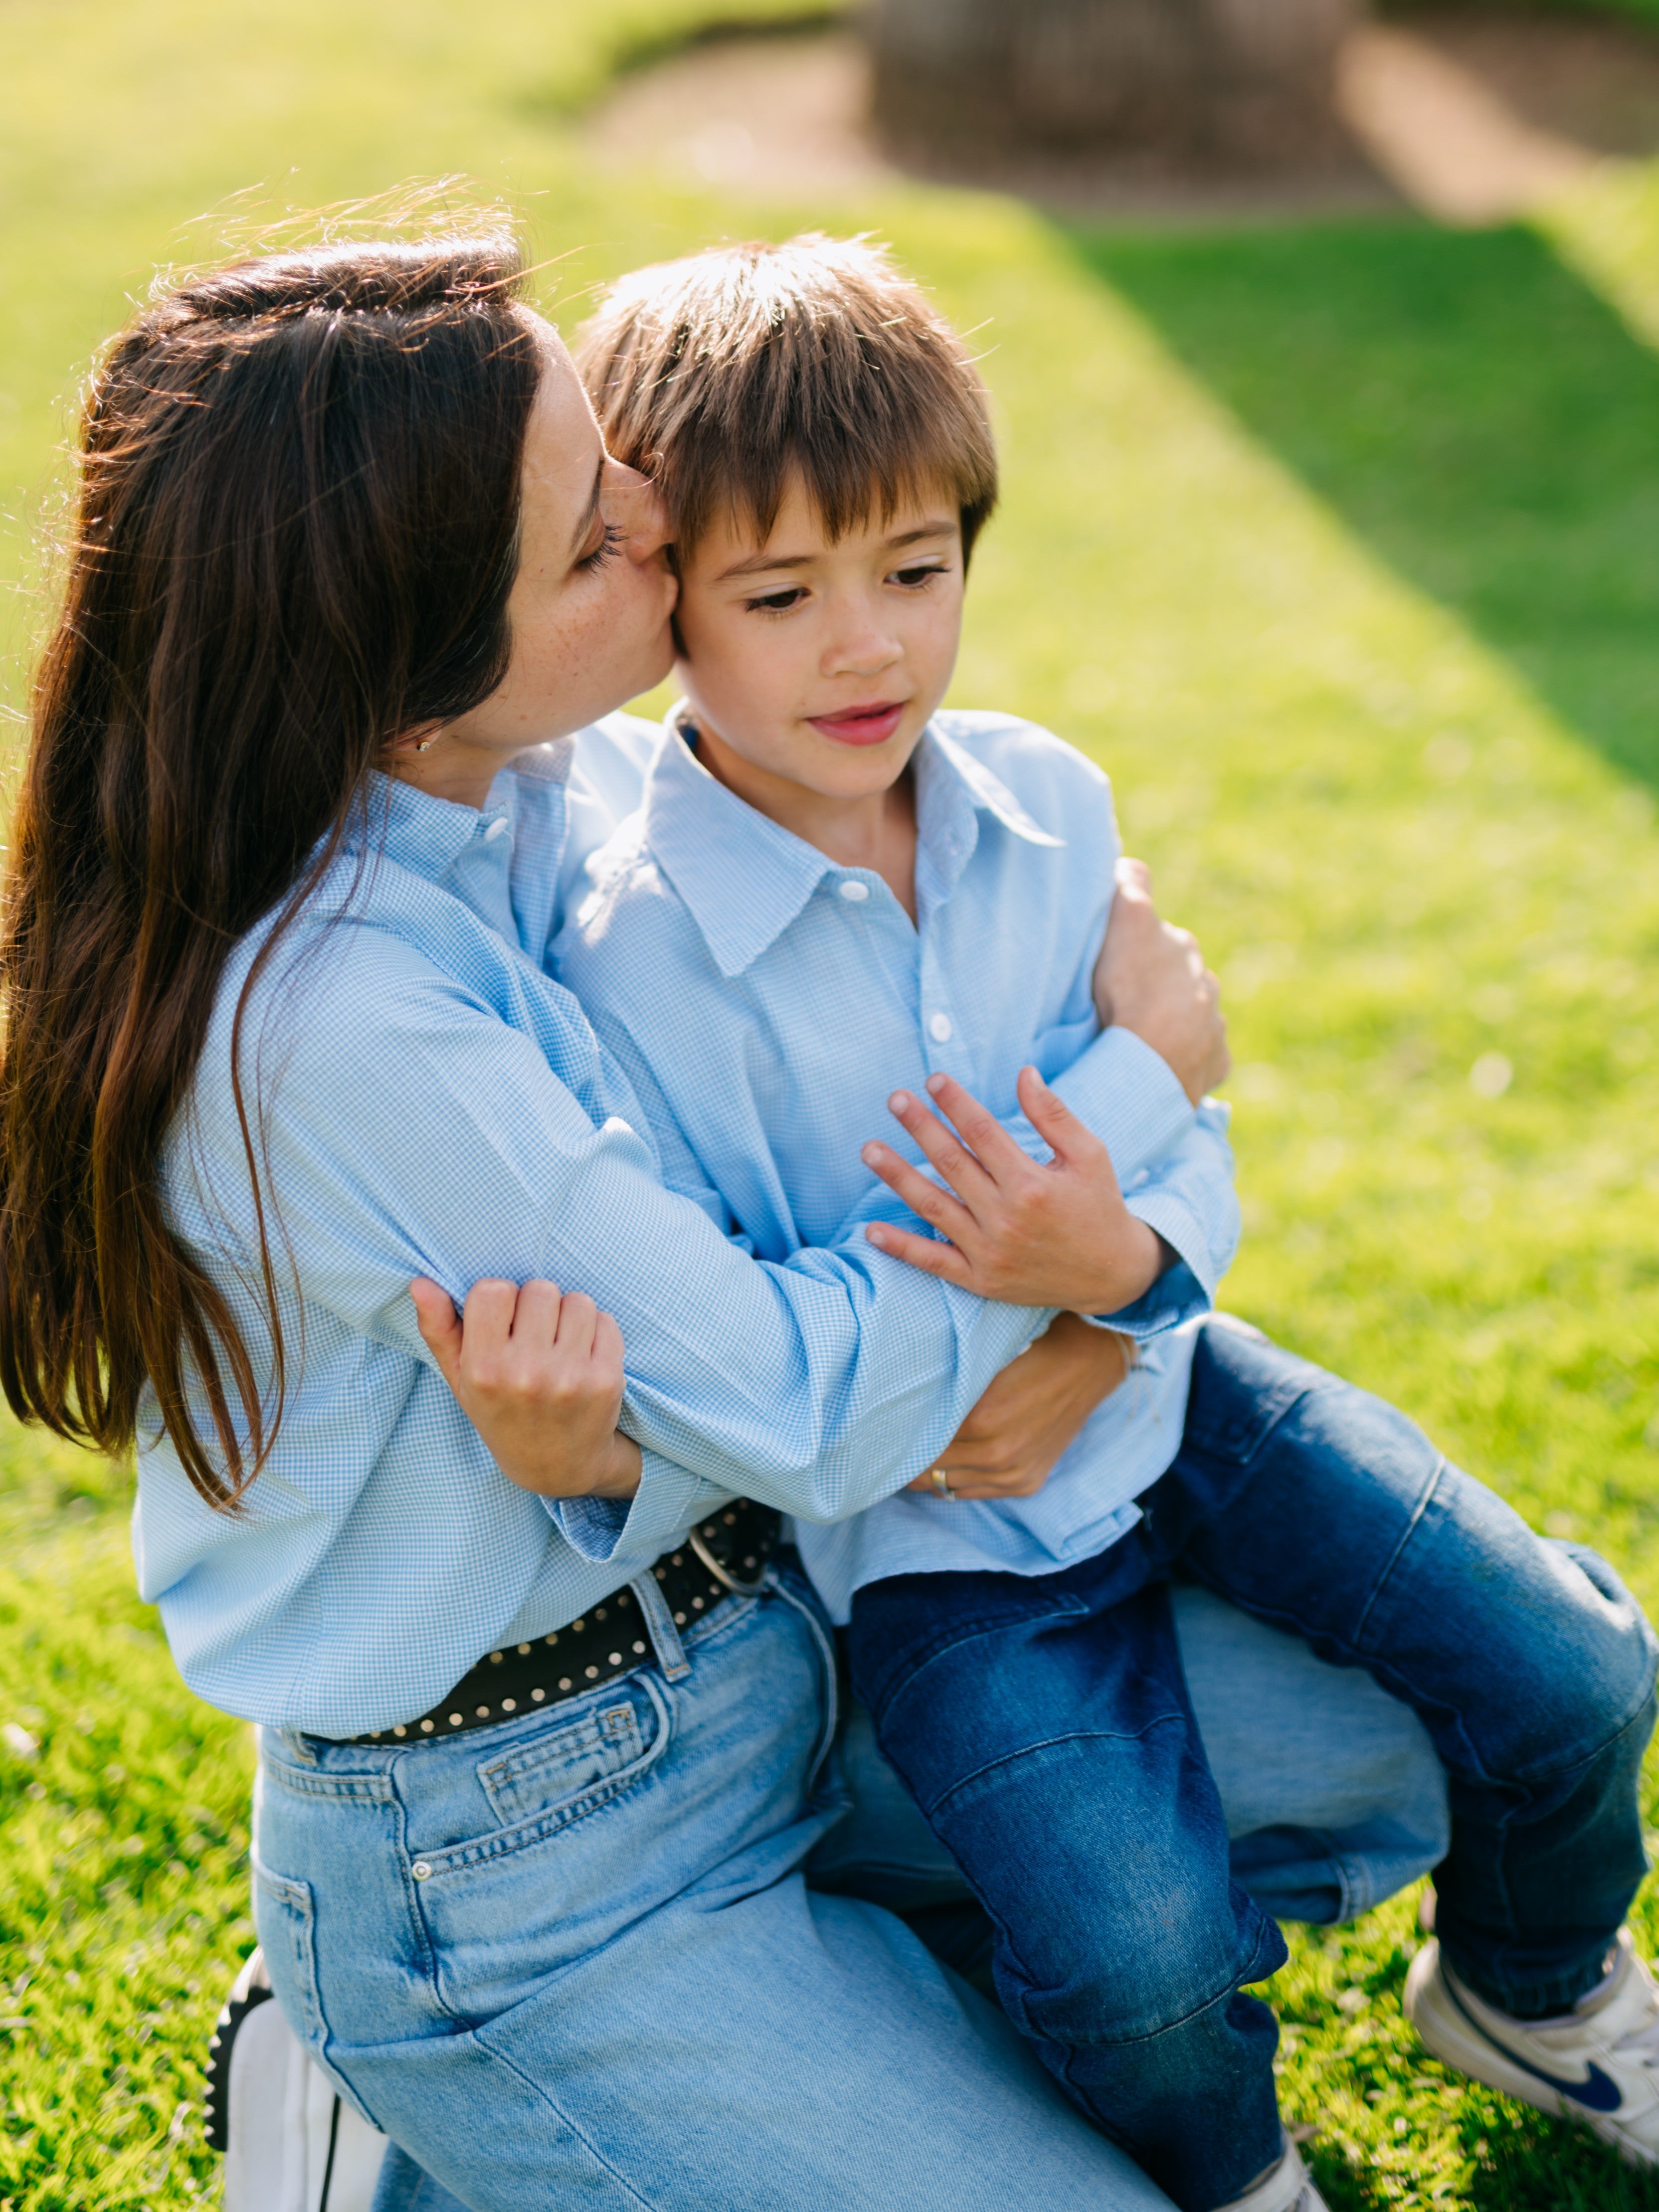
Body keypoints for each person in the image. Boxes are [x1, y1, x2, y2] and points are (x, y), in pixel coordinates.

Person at [0, 226, 1469, 2212]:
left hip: (787, 1649)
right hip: (527, 1856)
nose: (653, 511)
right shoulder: (341, 1017)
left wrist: (1100, 1309)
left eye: (609, 453)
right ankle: (433, 2094)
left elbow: (932, 997)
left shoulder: (520, 784)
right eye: (596, 533)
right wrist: (1139, 1088)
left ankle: (788, 2055)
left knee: (1428, 1727)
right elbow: (798, 1397)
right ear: (417, 640)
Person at [547, 233, 1659, 2205]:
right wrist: (1118, 1149)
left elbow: (1171, 1177)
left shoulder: (1042, 806)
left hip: (1172, 1379)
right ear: (662, 603)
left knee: (1570, 1669)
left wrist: (1113, 1300)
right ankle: (1233, 2171)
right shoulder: (640, 958)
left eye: (915, 567)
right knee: (1130, 1956)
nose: (866, 646)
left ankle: (1532, 1984)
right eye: (782, 593)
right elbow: (770, 1322)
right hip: (932, 1541)